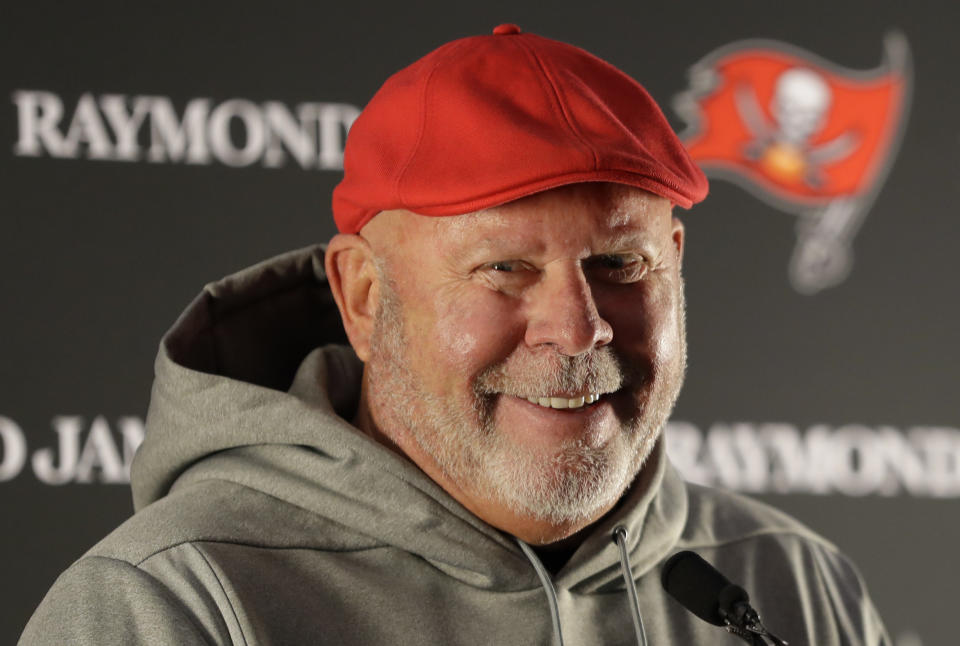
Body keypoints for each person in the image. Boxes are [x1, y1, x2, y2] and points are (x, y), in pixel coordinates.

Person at [21, 25, 889, 645]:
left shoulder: (794, 586)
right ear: (364, 299)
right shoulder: (170, 606)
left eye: (622, 267)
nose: (577, 329)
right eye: (504, 269)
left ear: (677, 261)